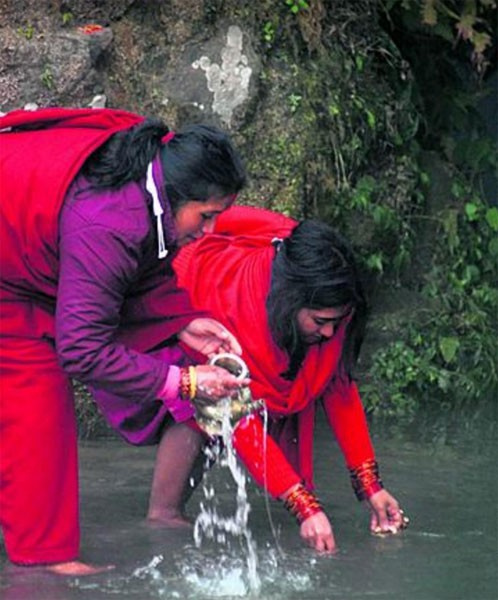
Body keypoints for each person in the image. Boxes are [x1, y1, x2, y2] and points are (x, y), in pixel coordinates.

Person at [0, 107, 248, 575]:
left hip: (17, 265)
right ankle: (45, 562)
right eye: (207, 215)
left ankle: (44, 557)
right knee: (37, 392)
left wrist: (180, 321)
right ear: (177, 195)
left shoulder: (146, 174)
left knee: (35, 401)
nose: (210, 230)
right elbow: (82, 350)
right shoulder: (107, 220)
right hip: (12, 270)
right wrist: (184, 381)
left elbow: (134, 267)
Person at [96, 205, 408, 554]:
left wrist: (371, 487)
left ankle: (174, 513)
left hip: (238, 319)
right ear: (290, 304)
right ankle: (163, 517)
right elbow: (239, 419)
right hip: (181, 307)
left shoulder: (329, 297)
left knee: (214, 413)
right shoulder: (230, 313)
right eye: (320, 321)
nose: (330, 331)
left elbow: (337, 385)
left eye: (336, 321)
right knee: (202, 401)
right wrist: (304, 507)